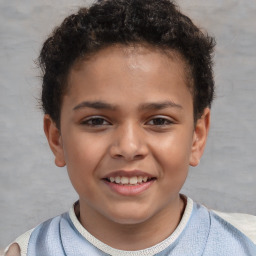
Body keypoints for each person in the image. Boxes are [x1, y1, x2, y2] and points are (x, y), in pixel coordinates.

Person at [5, 0, 256, 255]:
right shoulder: (26, 251)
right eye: (96, 121)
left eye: (159, 121)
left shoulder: (245, 244)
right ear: (57, 139)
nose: (128, 147)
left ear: (197, 137)